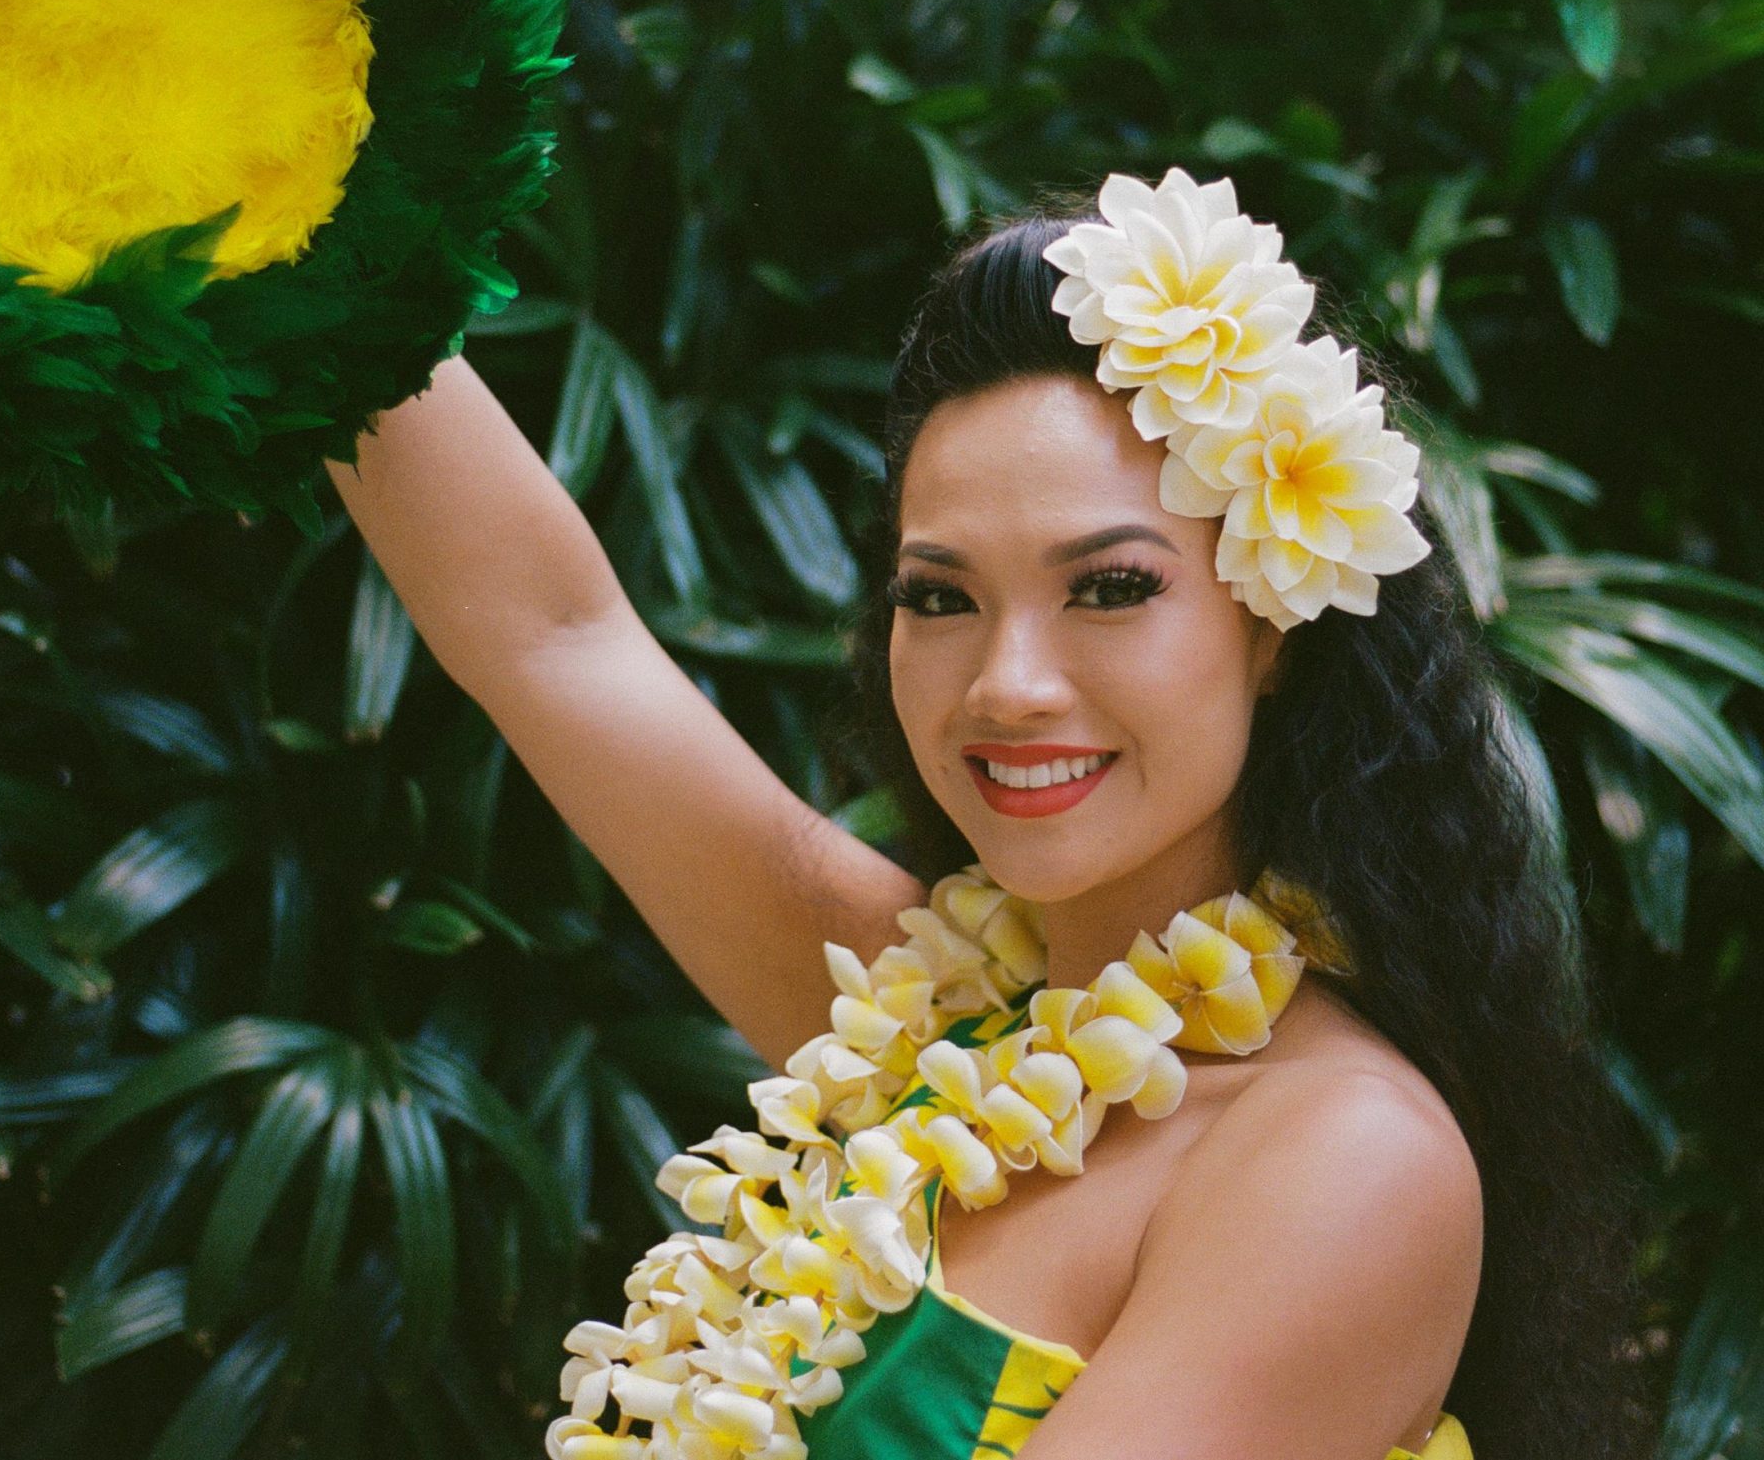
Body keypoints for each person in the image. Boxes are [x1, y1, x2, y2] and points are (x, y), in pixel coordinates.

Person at [324, 170, 1649, 1460]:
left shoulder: (1342, 1162)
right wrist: (288, 191)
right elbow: (553, 638)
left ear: (1276, 620)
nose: (1009, 684)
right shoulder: (938, 1022)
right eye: (941, 596)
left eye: (1111, 587)